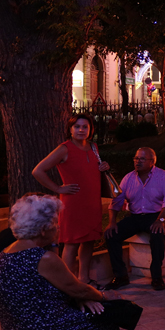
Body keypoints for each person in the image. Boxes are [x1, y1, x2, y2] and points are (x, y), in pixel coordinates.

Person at [0, 194, 123, 330]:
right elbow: (79, 289)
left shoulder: (8, 250)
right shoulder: (43, 258)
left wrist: (80, 296)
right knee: (108, 315)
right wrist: (104, 295)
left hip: (13, 327)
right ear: (42, 230)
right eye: (55, 223)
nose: (58, 227)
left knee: (88, 305)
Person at [32, 114, 110, 287]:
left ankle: (84, 279)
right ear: (70, 129)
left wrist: (103, 167)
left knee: (89, 240)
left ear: (91, 130)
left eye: (85, 127)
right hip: (73, 203)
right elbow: (38, 171)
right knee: (71, 243)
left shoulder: (93, 147)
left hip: (91, 202)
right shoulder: (64, 148)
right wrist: (58, 188)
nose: (81, 130)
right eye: (77, 127)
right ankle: (67, 284)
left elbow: (91, 171)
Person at [104, 147, 165, 291]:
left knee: (157, 234)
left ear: (152, 161)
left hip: (156, 215)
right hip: (135, 216)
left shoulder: (162, 176)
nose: (138, 161)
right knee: (111, 236)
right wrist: (112, 222)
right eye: (136, 158)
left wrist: (160, 220)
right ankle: (121, 276)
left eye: (142, 159)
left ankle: (156, 276)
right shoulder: (128, 178)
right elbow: (116, 202)